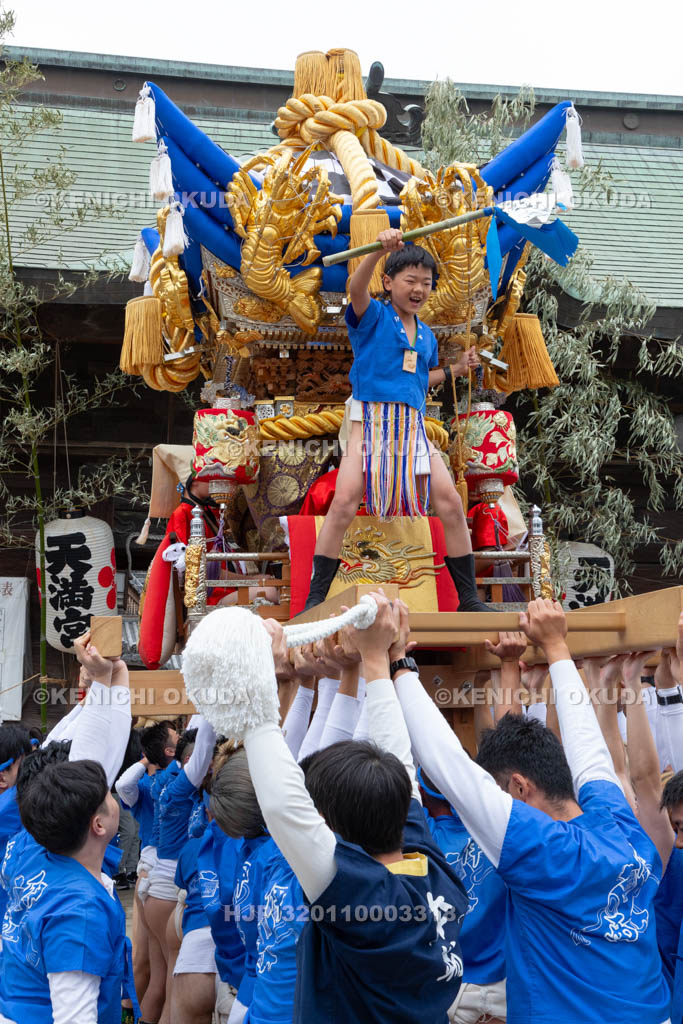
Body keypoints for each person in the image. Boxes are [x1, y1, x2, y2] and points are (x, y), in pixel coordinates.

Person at [392, 597, 671, 1024]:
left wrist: (398, 666)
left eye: (502, 793)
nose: (497, 803)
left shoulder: (543, 851)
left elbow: (451, 769)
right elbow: (590, 753)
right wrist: (557, 647)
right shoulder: (619, 823)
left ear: (520, 788)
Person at [239, 593, 469, 1023]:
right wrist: (377, 658)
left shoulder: (357, 895)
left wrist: (257, 685)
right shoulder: (429, 865)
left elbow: (284, 807)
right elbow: (397, 759)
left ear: (328, 825)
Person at [304, 229, 485, 611]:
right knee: (345, 501)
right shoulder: (373, 317)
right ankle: (315, 597)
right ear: (388, 283)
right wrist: (377, 253)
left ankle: (468, 599)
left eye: (427, 283)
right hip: (369, 419)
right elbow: (355, 288)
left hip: (412, 425)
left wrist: (455, 369)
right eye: (410, 280)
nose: (419, 289)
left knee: (450, 502)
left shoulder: (427, 336)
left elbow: (420, 379)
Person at [0, 632, 131, 1024]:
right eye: (107, 793)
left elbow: (84, 765)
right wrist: (106, 681)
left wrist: (112, 677)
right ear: (96, 824)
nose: (112, 792)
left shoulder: (28, 844)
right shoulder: (79, 909)